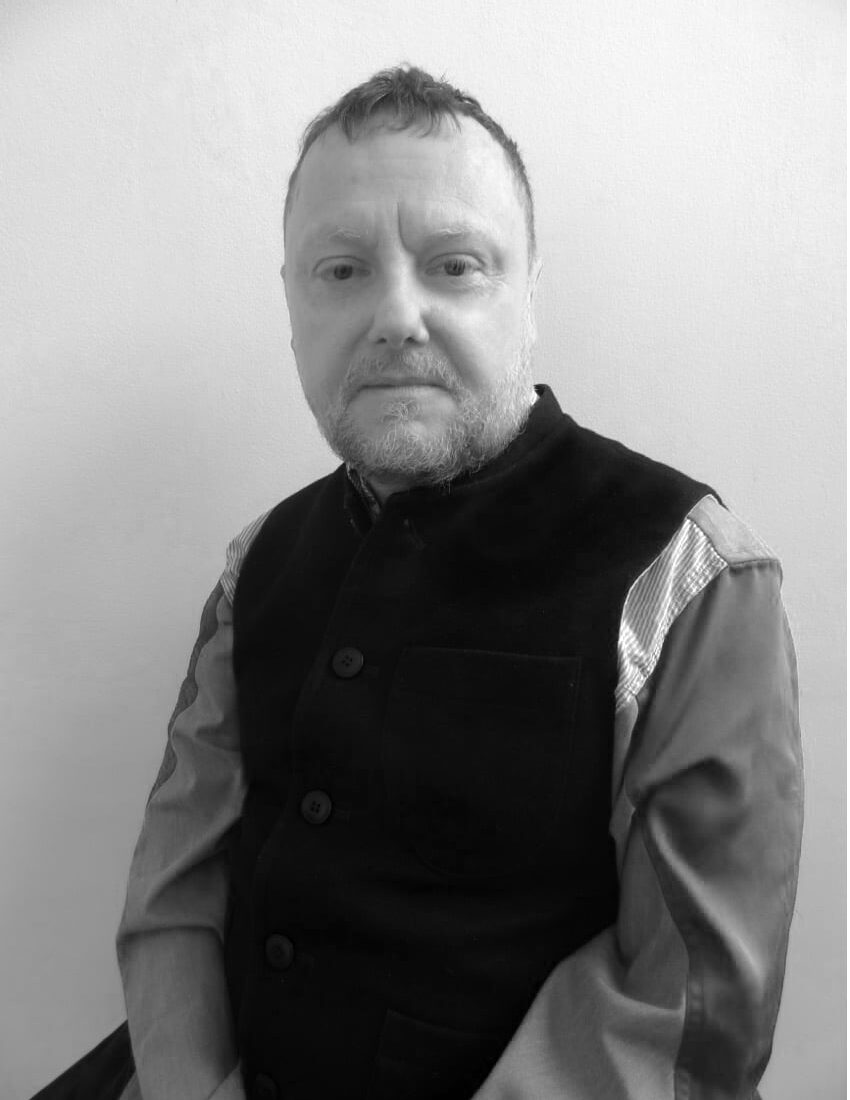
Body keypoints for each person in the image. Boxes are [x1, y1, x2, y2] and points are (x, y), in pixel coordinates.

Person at [33, 65, 803, 1100]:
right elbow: (178, 891)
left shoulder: (691, 575)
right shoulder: (256, 560)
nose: (396, 314)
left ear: (527, 290)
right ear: (293, 307)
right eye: (341, 270)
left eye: (453, 265)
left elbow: (684, 1017)